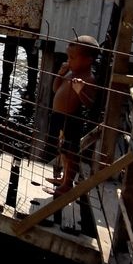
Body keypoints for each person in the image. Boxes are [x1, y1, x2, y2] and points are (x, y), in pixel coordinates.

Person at [48, 35, 99, 194]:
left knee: (71, 152)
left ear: (88, 60)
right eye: (68, 57)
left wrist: (81, 91)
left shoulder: (88, 79)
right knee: (62, 149)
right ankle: (63, 179)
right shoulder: (70, 73)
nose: (68, 61)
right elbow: (55, 89)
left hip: (71, 119)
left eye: (72, 57)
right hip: (59, 116)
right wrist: (60, 74)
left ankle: (68, 184)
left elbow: (90, 103)